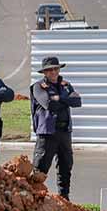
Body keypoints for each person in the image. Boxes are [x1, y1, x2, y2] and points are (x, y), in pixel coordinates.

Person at [30, 55, 82, 200]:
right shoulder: (38, 87)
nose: (53, 72)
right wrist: (66, 101)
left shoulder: (66, 85)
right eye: (49, 70)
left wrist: (59, 99)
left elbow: (77, 101)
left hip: (64, 132)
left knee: (66, 167)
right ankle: (35, 198)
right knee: (40, 169)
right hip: (47, 133)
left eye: (55, 69)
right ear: (44, 73)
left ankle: (64, 199)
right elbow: (48, 104)